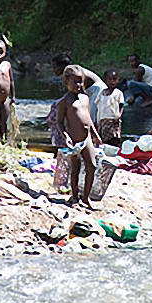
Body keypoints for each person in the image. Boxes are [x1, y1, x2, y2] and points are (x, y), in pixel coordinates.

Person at [55, 65, 103, 209]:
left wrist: (95, 134)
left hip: (86, 137)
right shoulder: (64, 102)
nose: (78, 85)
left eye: (81, 81)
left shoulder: (85, 97)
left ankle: (86, 198)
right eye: (75, 82)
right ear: (66, 82)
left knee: (92, 166)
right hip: (74, 140)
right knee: (75, 168)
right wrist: (66, 136)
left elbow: (88, 118)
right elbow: (59, 122)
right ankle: (75, 197)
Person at [51, 53, 104, 124]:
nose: (53, 70)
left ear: (61, 66)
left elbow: (79, 91)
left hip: (97, 91)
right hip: (91, 91)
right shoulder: (69, 72)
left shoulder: (75, 72)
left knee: (91, 118)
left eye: (55, 67)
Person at [95, 70, 125, 145]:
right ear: (105, 80)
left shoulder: (118, 93)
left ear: (118, 80)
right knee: (103, 140)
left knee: (114, 138)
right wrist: (96, 121)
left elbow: (121, 105)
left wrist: (119, 116)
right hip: (102, 121)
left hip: (113, 120)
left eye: (114, 79)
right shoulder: (101, 93)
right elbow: (98, 106)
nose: (112, 82)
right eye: (110, 79)